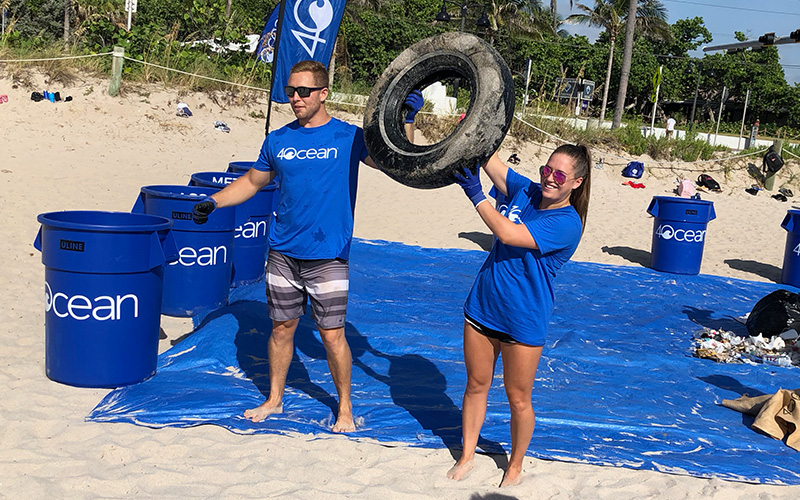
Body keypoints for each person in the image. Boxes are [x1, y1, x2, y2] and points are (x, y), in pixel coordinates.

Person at [191, 60, 423, 433]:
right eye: (290, 92)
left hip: (328, 256)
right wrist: (214, 202)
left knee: (332, 336)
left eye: (304, 92)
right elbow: (252, 181)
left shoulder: (350, 137)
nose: (295, 99)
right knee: (282, 330)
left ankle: (345, 407)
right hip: (282, 252)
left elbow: (397, 161)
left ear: (323, 93)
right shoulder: (279, 140)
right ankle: (274, 399)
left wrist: (406, 119)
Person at [448, 144, 591, 486]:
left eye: (559, 175)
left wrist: (476, 195)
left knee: (518, 398)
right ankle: (467, 455)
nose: (549, 178)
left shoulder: (567, 223)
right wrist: (482, 128)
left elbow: (508, 233)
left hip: (523, 318)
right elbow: (489, 161)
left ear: (576, 182)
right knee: (476, 385)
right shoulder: (526, 189)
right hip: (483, 305)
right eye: (546, 169)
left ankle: (514, 465)